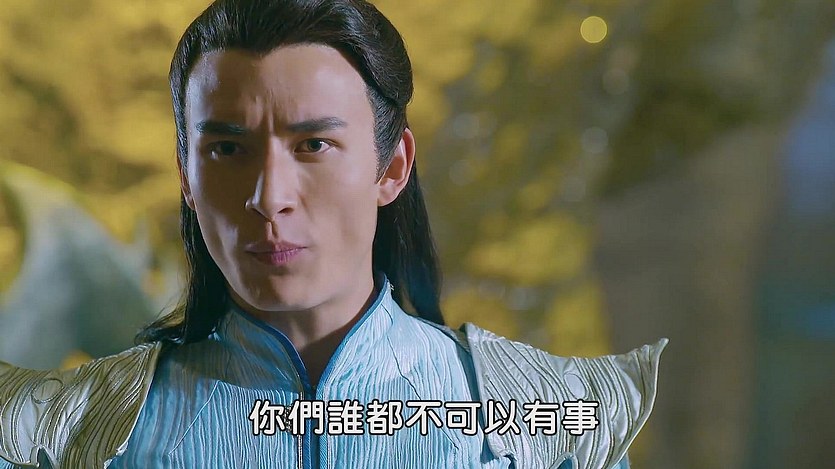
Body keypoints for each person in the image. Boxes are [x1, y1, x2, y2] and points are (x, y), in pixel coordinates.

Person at [0, 0, 666, 468]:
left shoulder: (540, 425)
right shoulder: (79, 431)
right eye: (227, 150)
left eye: (313, 144)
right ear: (186, 178)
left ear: (392, 166)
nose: (270, 197)